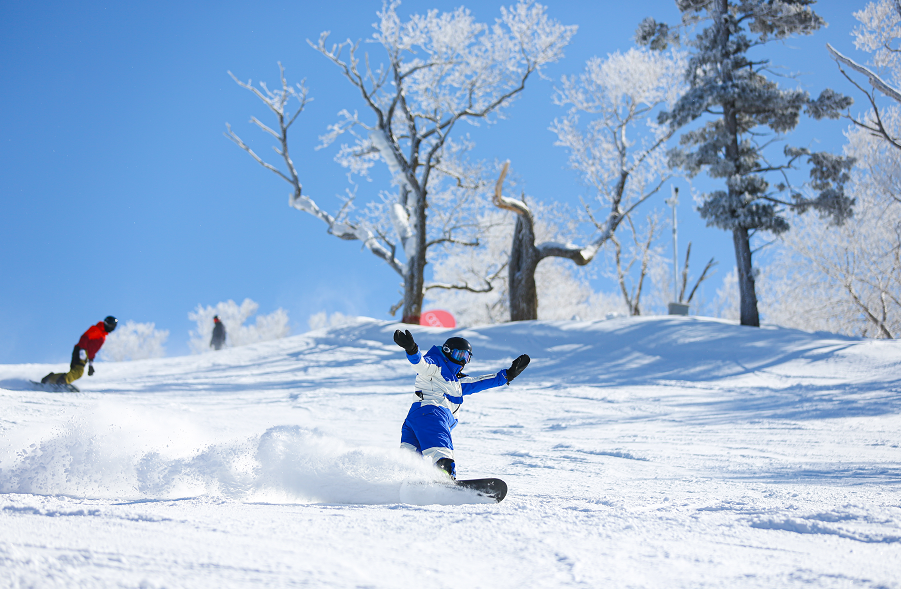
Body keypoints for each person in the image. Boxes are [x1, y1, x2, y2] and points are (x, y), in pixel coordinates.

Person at [393, 329, 530, 479]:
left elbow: (480, 382)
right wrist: (412, 349)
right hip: (432, 414)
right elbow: (421, 364)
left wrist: (508, 374)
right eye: (459, 354)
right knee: (440, 448)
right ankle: (445, 477)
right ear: (447, 351)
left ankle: (405, 481)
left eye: (466, 357)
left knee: (409, 458)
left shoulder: (456, 382)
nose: (462, 361)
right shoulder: (435, 364)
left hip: (414, 419)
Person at [41, 316, 118, 386]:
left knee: (74, 371)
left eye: (114, 326)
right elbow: (84, 338)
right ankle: (62, 381)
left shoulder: (103, 336)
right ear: (106, 323)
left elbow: (93, 351)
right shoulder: (96, 329)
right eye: (111, 325)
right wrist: (82, 350)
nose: (112, 328)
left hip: (83, 353)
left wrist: (90, 364)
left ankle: (50, 378)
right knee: (78, 372)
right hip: (81, 351)